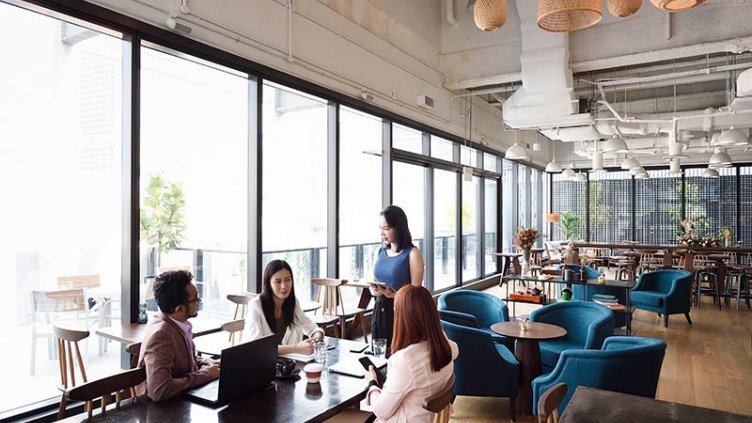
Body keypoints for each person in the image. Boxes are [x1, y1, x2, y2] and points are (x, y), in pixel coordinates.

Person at [364, 285, 458, 422]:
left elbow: (380, 411)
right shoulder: (444, 344)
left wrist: (372, 383)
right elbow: (456, 350)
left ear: (401, 316)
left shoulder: (405, 360)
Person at [136, 270, 220, 402]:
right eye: (196, 299)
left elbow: (184, 359)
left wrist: (207, 363)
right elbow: (160, 390)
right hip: (161, 412)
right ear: (179, 309)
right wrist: (207, 374)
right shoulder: (161, 335)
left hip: (181, 400)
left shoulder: (178, 324)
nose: (199, 302)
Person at [370, 205, 425, 347]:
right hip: (380, 308)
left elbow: (416, 293)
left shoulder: (413, 254)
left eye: (386, 228)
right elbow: (373, 280)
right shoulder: (379, 252)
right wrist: (374, 290)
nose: (382, 233)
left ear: (399, 227)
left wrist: (395, 295)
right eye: (380, 228)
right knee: (380, 352)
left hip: (402, 311)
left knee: (399, 352)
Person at [245, 259, 324, 354]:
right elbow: (256, 347)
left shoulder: (292, 303)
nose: (284, 286)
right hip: (259, 364)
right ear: (268, 283)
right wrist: (296, 348)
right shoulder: (256, 305)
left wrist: (316, 338)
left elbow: (311, 327)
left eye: (287, 280)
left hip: (286, 364)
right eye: (278, 281)